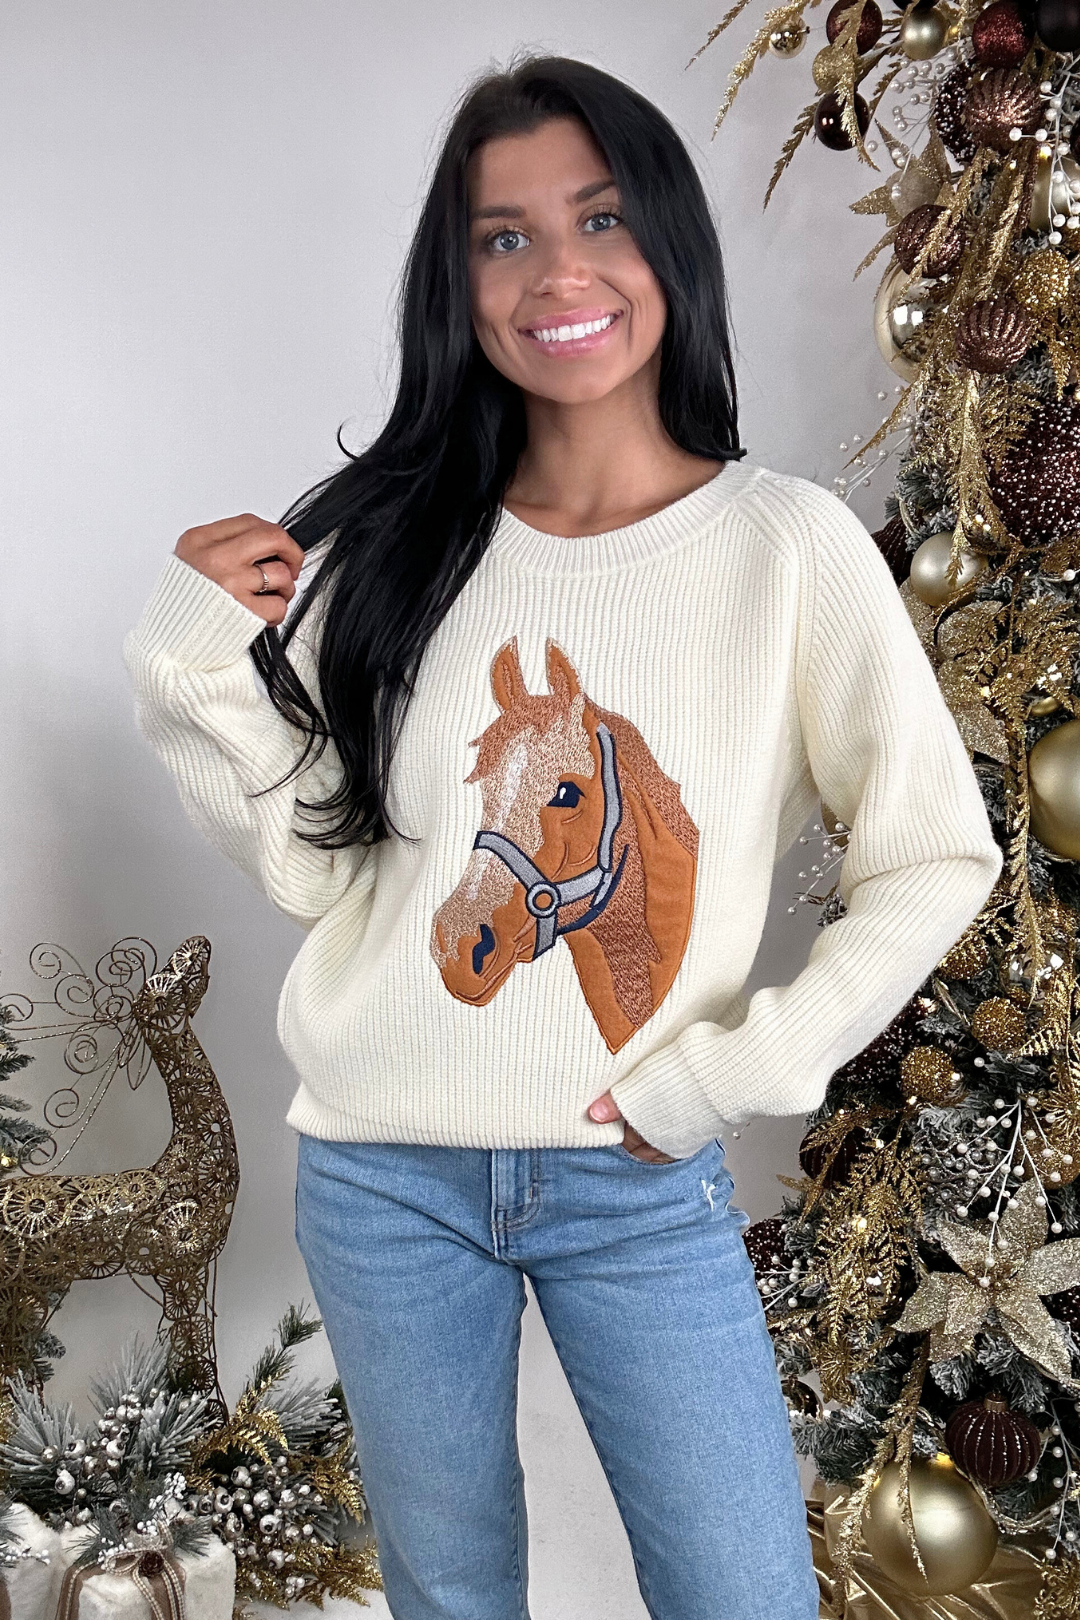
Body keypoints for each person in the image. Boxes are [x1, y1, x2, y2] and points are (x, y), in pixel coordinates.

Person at [124, 53, 1003, 1620]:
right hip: (383, 1171)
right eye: (502, 236)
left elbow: (935, 854)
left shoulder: (787, 551)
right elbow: (326, 868)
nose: (557, 272)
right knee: (449, 1594)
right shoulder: (398, 548)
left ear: (668, 238)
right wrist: (191, 672)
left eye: (599, 217)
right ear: (456, 283)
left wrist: (731, 1072)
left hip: (638, 1177)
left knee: (742, 1592)